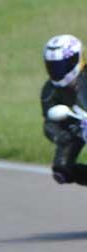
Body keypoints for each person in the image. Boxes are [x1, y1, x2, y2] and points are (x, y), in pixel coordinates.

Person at [41, 34, 87, 186]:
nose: (57, 71)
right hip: (75, 126)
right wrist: (59, 136)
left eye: (62, 66)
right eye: (53, 66)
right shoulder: (50, 90)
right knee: (62, 171)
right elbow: (49, 123)